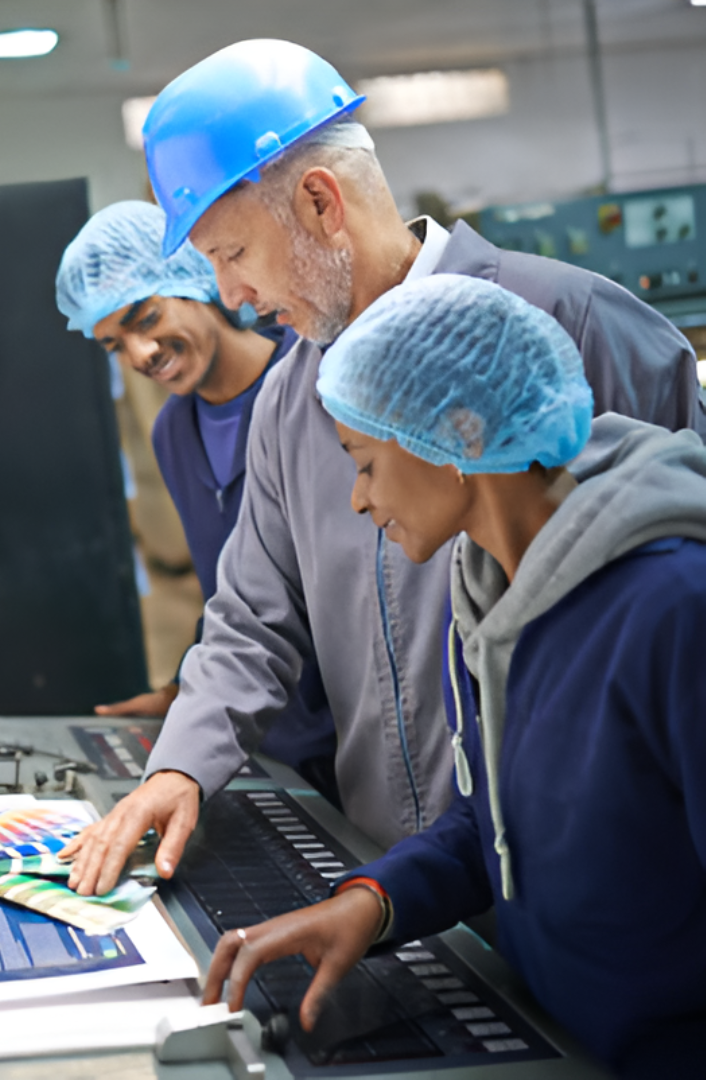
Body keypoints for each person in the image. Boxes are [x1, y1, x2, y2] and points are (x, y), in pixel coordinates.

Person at [61, 39, 705, 897]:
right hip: (400, 883)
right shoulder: (290, 402)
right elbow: (253, 617)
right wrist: (178, 769)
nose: (230, 296)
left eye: (231, 254)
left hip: (610, 893)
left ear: (321, 203)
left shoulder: (571, 321)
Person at [202, 273, 706, 1079]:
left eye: (362, 464)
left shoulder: (672, 609)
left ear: (459, 436)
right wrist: (368, 904)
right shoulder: (487, 594)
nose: (358, 501)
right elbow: (499, 823)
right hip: (558, 1037)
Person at [55, 200, 338, 797]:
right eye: (114, 345)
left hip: (352, 737)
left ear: (195, 280)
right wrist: (185, 688)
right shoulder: (174, 433)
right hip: (262, 741)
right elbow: (229, 591)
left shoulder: (316, 383)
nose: (140, 354)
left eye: (146, 318)